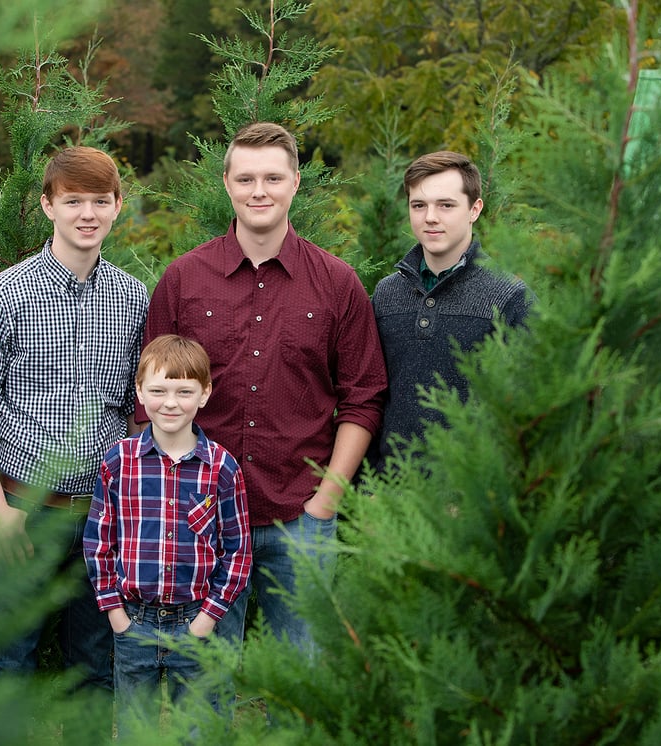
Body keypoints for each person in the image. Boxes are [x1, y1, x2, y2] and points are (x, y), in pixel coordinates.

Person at [141, 122, 388, 653]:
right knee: (202, 686)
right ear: (226, 183)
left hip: (301, 516)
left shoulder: (337, 283)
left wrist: (328, 498)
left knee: (302, 684)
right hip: (198, 515)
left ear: (296, 183)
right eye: (246, 178)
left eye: (273, 178)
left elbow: (363, 397)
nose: (260, 191)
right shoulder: (183, 280)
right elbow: (150, 398)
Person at [0, 146, 148, 688]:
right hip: (24, 506)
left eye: (100, 201)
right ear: (48, 206)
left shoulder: (133, 298)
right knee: (9, 658)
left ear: (116, 207)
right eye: (74, 200)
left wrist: (131, 499)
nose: (88, 213)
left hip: (104, 514)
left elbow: (137, 410)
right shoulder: (5, 293)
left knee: (94, 661)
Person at [84, 334, 251, 735]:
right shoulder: (119, 461)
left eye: (184, 391)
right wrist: (117, 616)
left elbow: (238, 550)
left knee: (197, 731)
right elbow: (98, 542)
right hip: (134, 622)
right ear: (139, 392)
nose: (170, 402)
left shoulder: (220, 467)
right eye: (157, 390)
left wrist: (207, 620)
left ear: (205, 393)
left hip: (194, 623)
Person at [371, 150, 530, 464]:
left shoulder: (509, 297)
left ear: (474, 209)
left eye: (446, 205)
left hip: (466, 499)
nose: (430, 217)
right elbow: (370, 400)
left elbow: (528, 409)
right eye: (419, 205)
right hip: (385, 496)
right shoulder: (387, 294)